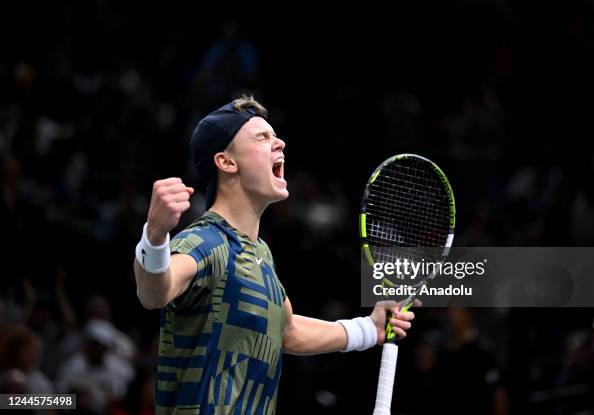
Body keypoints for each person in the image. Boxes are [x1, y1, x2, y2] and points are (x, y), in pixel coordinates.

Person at [133, 95, 416, 414]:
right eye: (261, 137)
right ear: (227, 162)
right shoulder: (206, 241)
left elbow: (286, 330)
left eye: (275, 134)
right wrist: (154, 238)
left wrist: (368, 329)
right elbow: (155, 292)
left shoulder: (261, 254)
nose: (279, 142)